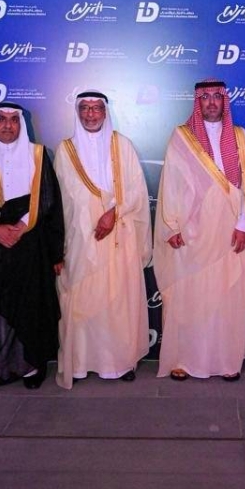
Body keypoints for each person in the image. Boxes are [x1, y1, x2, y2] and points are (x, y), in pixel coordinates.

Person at [154, 79, 245, 381]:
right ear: (197, 102)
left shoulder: (239, 136)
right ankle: (184, 361)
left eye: (216, 97)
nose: (211, 102)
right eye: (205, 97)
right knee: (190, 297)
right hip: (191, 233)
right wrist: (171, 225)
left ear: (224, 101)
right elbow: (171, 184)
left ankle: (227, 361)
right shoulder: (181, 137)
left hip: (230, 232)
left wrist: (244, 224)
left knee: (227, 298)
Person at [0, 102, 64, 390]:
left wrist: (21, 226)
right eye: (2, 119)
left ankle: (30, 367)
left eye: (14, 120)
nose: (8, 125)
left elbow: (48, 197)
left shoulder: (38, 154)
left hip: (28, 243)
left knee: (29, 305)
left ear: (21, 124)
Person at [54, 91, 151, 388]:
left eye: (96, 108)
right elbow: (59, 203)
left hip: (119, 235)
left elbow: (136, 191)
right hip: (80, 241)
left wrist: (113, 212)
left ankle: (119, 363)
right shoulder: (65, 150)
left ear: (105, 112)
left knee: (117, 302)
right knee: (81, 301)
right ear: (77, 112)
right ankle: (80, 363)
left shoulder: (123, 145)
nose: (91, 114)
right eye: (85, 108)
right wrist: (61, 246)